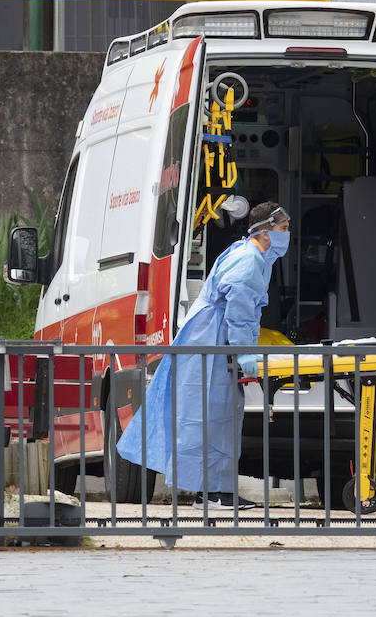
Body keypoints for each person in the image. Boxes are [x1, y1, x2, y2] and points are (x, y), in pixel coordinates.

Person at [115, 202, 290, 509]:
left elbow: (246, 313)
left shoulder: (251, 256)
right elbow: (238, 311)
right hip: (213, 339)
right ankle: (213, 494)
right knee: (213, 417)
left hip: (211, 338)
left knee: (215, 417)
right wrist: (243, 352)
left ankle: (212, 491)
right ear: (264, 232)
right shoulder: (249, 260)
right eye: (283, 229)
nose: (287, 236)